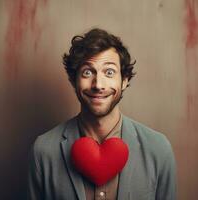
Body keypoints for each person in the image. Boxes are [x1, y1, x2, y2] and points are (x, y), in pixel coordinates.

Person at [27, 28, 176, 200]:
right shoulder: (43, 151)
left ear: (125, 80)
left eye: (109, 72)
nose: (98, 85)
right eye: (87, 72)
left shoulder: (158, 149)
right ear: (73, 80)